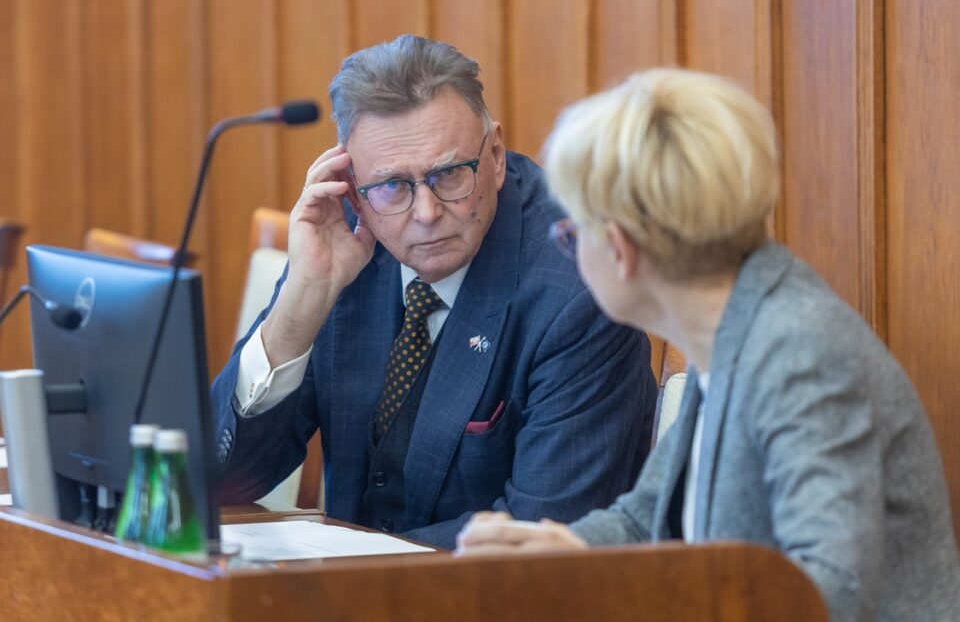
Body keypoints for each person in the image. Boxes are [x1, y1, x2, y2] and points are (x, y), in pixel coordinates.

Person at [456, 68, 960, 622]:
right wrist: (563, 549)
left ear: (621, 250)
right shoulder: (733, 327)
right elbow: (643, 519)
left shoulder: (797, 351)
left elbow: (830, 596)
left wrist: (624, 591)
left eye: (570, 235)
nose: (570, 255)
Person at [210, 35, 655, 549]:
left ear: (495, 154)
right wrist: (300, 304)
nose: (424, 213)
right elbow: (224, 482)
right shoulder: (346, 240)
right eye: (393, 185)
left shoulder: (579, 288)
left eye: (447, 175)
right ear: (351, 183)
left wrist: (349, 571)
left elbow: (545, 540)